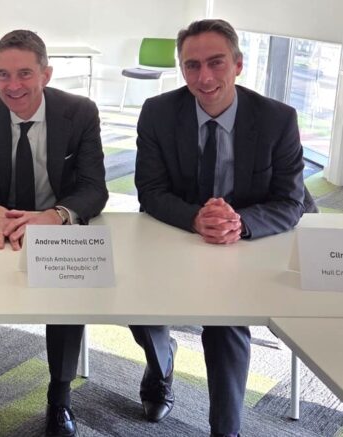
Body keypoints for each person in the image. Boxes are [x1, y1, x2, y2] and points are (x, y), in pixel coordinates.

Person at [132, 18, 315, 437]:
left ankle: (226, 432)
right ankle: (162, 366)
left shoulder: (277, 119)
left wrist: (239, 223)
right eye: (192, 65)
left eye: (216, 62)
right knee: (137, 304)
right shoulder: (158, 113)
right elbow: (151, 191)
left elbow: (291, 201)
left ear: (238, 64)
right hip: (180, 233)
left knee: (225, 322)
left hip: (246, 244)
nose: (204, 77)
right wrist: (196, 218)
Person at [0, 30, 108, 437]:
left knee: (69, 289)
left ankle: (60, 396)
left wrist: (57, 215)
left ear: (46, 74)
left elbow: (94, 188)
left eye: (24, 74)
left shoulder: (80, 112)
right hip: (2, 229)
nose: (13, 86)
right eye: (2, 74)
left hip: (56, 227)